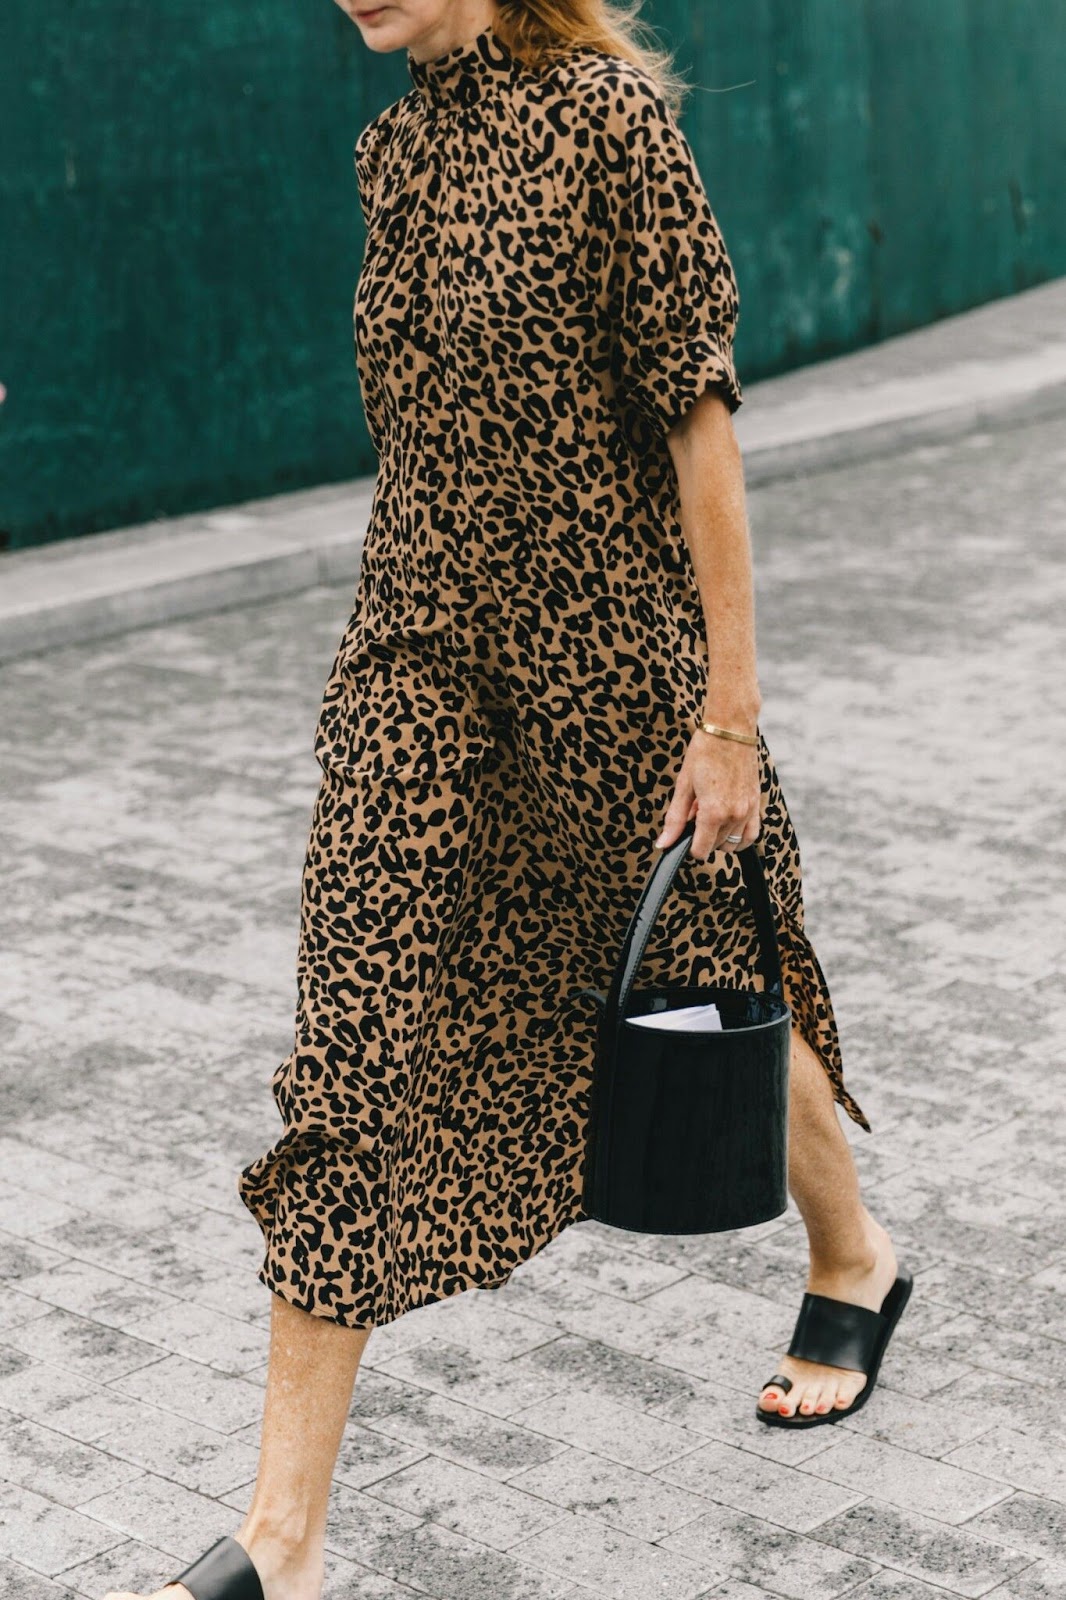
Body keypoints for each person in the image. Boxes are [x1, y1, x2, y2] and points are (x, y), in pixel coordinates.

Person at [104, 3, 911, 1597]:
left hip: (606, 665)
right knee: (352, 1049)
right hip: (416, 662)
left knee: (702, 973)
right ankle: (281, 1546)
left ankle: (853, 1256)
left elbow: (697, 420)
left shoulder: (608, 122)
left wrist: (727, 718)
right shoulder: (391, 151)